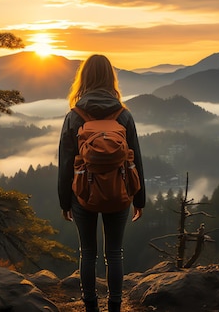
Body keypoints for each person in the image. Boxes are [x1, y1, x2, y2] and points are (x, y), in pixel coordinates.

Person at [58, 54, 146, 312]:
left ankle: (90, 307)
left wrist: (65, 201)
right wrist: (139, 199)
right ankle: (116, 306)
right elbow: (136, 160)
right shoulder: (124, 115)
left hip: (83, 193)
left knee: (87, 252)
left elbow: (65, 163)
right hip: (119, 192)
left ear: (83, 78)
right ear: (111, 78)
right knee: (115, 253)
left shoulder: (75, 116)